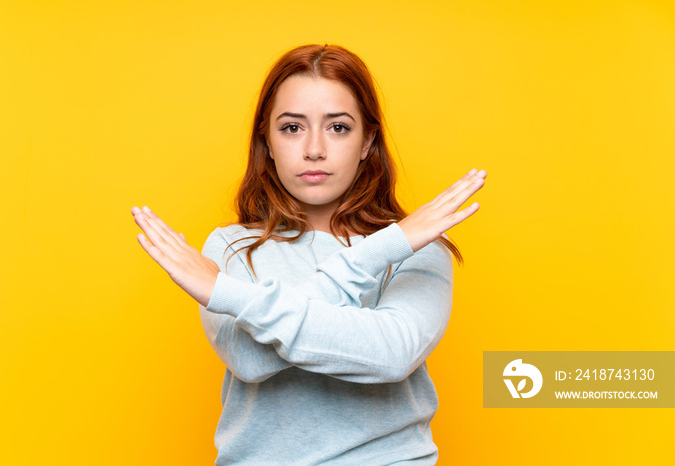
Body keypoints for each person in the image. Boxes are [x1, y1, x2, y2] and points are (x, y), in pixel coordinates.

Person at [131, 44, 486, 465]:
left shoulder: (416, 246)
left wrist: (228, 293)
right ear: (268, 139)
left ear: (367, 140)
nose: (314, 149)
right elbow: (249, 358)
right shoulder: (232, 247)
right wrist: (383, 250)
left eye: (338, 128)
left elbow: (391, 355)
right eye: (292, 128)